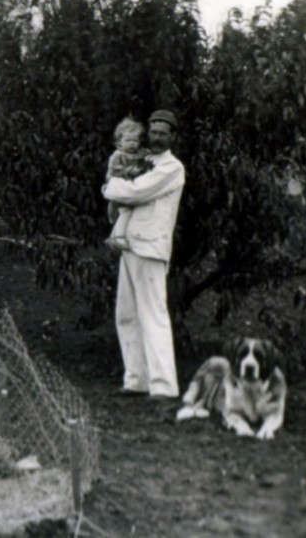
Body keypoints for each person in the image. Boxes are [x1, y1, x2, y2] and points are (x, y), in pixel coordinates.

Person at [102, 109, 185, 400]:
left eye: (163, 133)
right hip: (130, 245)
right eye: (154, 132)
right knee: (126, 314)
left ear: (173, 137)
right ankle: (136, 380)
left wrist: (110, 186)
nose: (157, 137)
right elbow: (128, 196)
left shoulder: (171, 168)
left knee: (153, 314)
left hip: (150, 247)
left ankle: (164, 385)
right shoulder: (143, 161)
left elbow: (135, 192)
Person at [104, 117, 152, 251]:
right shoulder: (118, 155)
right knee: (125, 211)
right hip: (118, 185)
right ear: (119, 143)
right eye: (127, 140)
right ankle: (118, 237)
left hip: (131, 187)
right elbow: (114, 171)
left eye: (135, 140)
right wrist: (132, 171)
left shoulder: (139, 154)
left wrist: (147, 158)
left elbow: (147, 162)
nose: (132, 144)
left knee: (128, 212)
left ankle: (113, 236)